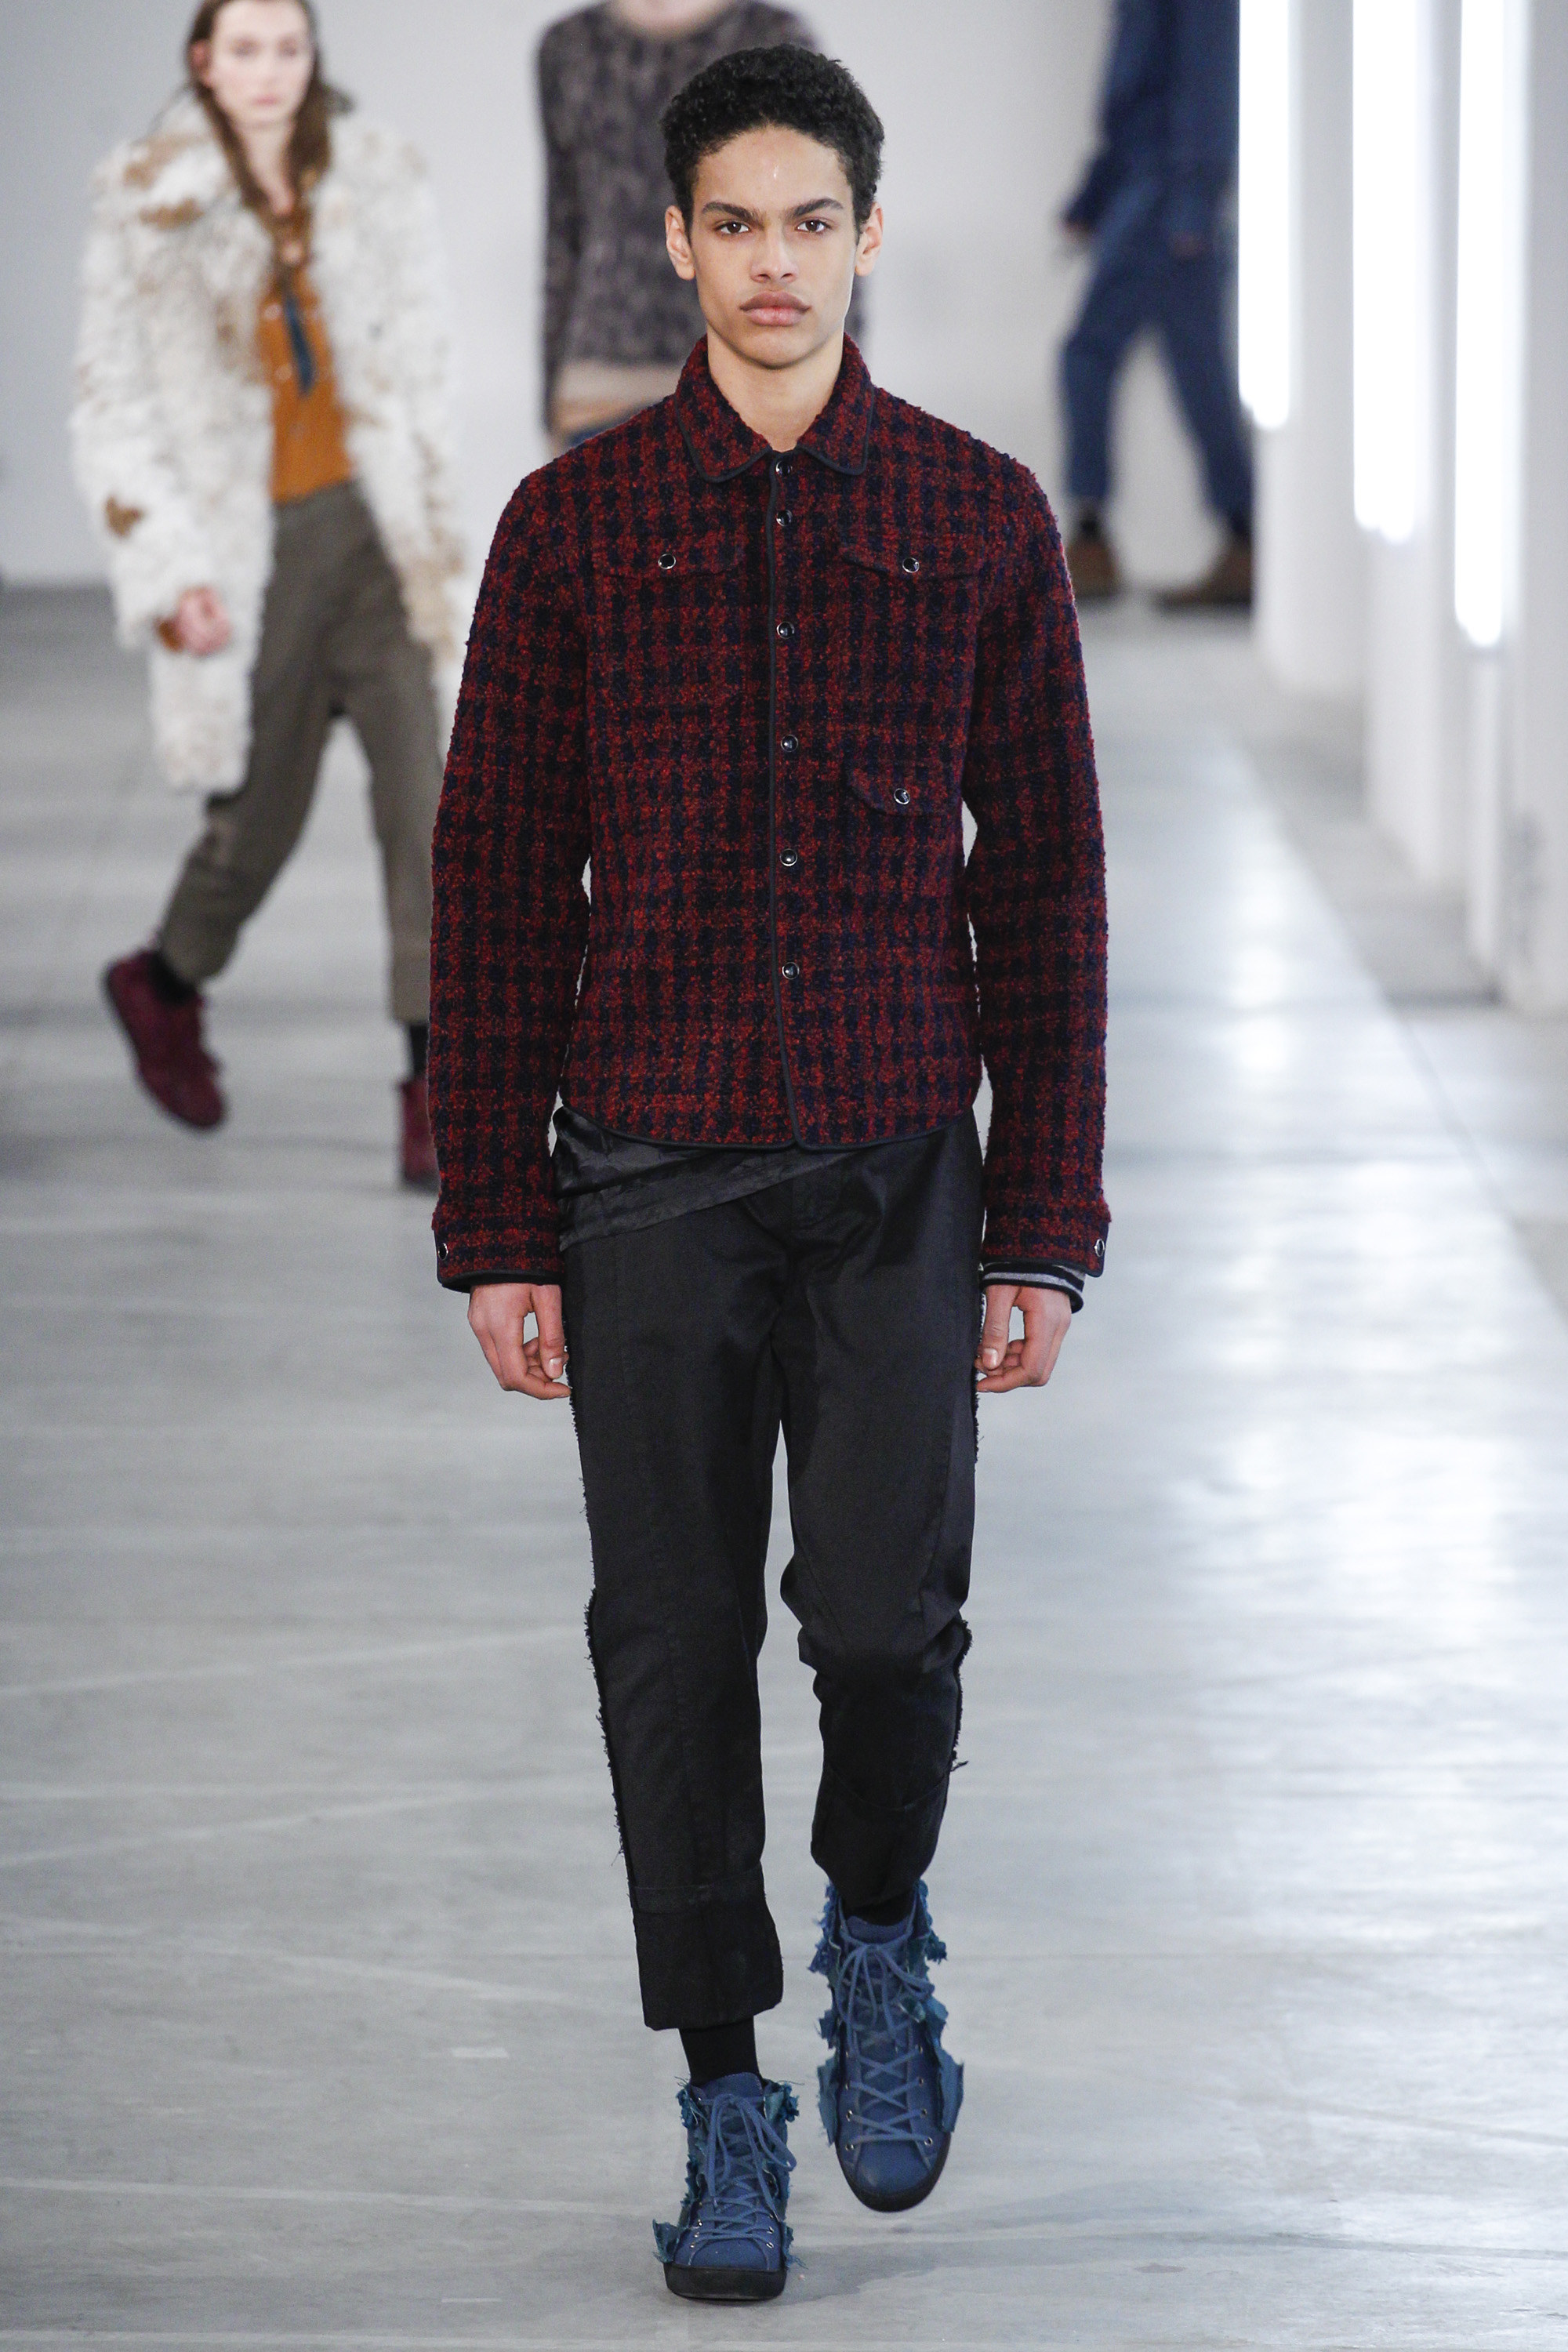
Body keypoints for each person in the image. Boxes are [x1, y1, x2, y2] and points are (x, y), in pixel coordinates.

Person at [430, 45, 1109, 2302]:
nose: (772, 264)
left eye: (810, 221)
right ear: (676, 241)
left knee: (887, 1626)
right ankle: (725, 2093)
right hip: (643, 1174)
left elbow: (1050, 889)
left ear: (867, 232)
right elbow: (499, 879)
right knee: (669, 1644)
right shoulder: (573, 527)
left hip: (899, 1164)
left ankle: (878, 1930)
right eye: (731, 224)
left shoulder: (980, 514)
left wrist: (1046, 1223)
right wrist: (493, 1218)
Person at [75, 0, 466, 1187]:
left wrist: (442, 530)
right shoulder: (148, 199)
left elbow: (424, 360)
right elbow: (112, 403)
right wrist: (170, 572)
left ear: (310, 57)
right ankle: (164, 981)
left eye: (287, 48)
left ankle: (433, 1093)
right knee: (260, 821)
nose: (268, 71)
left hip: (376, 536)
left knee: (428, 812)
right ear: (203, 61)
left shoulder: (377, 175)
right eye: (243, 50)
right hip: (253, 551)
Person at [539, 0, 846, 450]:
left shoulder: (773, 35)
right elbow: (564, 229)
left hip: (746, 380)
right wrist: (551, 398)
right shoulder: (568, 48)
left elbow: (828, 211)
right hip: (598, 385)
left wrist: (839, 405)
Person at [1059, 0, 1254, 608]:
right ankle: (1245, 535)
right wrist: (1093, 199)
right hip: (1151, 197)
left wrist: (1192, 207)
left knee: (1089, 356)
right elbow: (1128, 114)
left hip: (1162, 202)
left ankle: (1093, 537)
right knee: (1197, 371)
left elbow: (1208, 85)